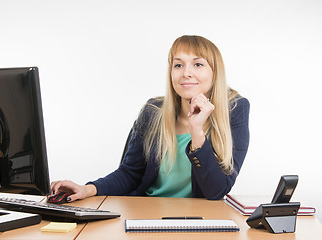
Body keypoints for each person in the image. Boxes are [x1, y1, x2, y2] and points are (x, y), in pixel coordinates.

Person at [50, 35, 250, 201]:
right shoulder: (153, 111)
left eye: (198, 64)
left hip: (200, 218)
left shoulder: (235, 109)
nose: (186, 73)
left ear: (215, 73)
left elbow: (216, 191)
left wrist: (196, 131)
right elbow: (130, 174)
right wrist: (87, 189)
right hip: (146, 212)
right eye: (178, 65)